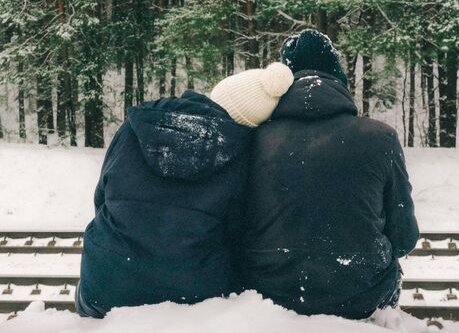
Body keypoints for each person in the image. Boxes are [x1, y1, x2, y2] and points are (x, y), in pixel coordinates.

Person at [76, 62, 294, 318]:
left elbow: (102, 197)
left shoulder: (134, 128)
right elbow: (236, 234)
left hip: (105, 284)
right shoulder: (240, 155)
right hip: (193, 293)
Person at [240, 30, 419, 319]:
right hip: (361, 295)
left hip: (268, 296)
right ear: (339, 77)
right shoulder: (380, 138)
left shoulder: (253, 140)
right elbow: (404, 239)